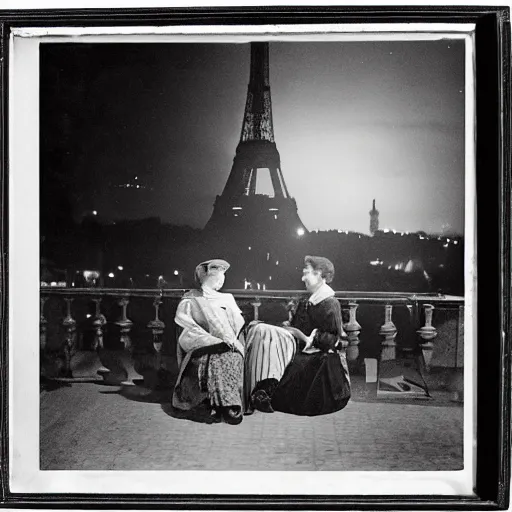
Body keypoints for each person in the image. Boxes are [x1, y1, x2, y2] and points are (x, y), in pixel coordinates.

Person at [245, 255, 351, 416]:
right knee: (259, 329)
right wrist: (289, 327)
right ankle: (260, 389)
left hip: (315, 355)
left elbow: (335, 340)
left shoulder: (330, 303)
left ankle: (265, 390)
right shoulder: (307, 301)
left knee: (268, 337)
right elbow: (298, 327)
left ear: (319, 274)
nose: (303, 278)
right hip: (299, 347)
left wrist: (309, 337)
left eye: (307, 273)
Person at [172, 259, 246, 425]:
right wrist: (211, 341)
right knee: (213, 360)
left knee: (231, 357)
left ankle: (228, 404)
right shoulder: (191, 298)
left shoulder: (227, 298)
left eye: (222, 275)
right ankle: (219, 405)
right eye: (218, 275)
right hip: (203, 345)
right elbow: (187, 328)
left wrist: (229, 340)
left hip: (230, 344)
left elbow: (237, 325)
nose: (221, 279)